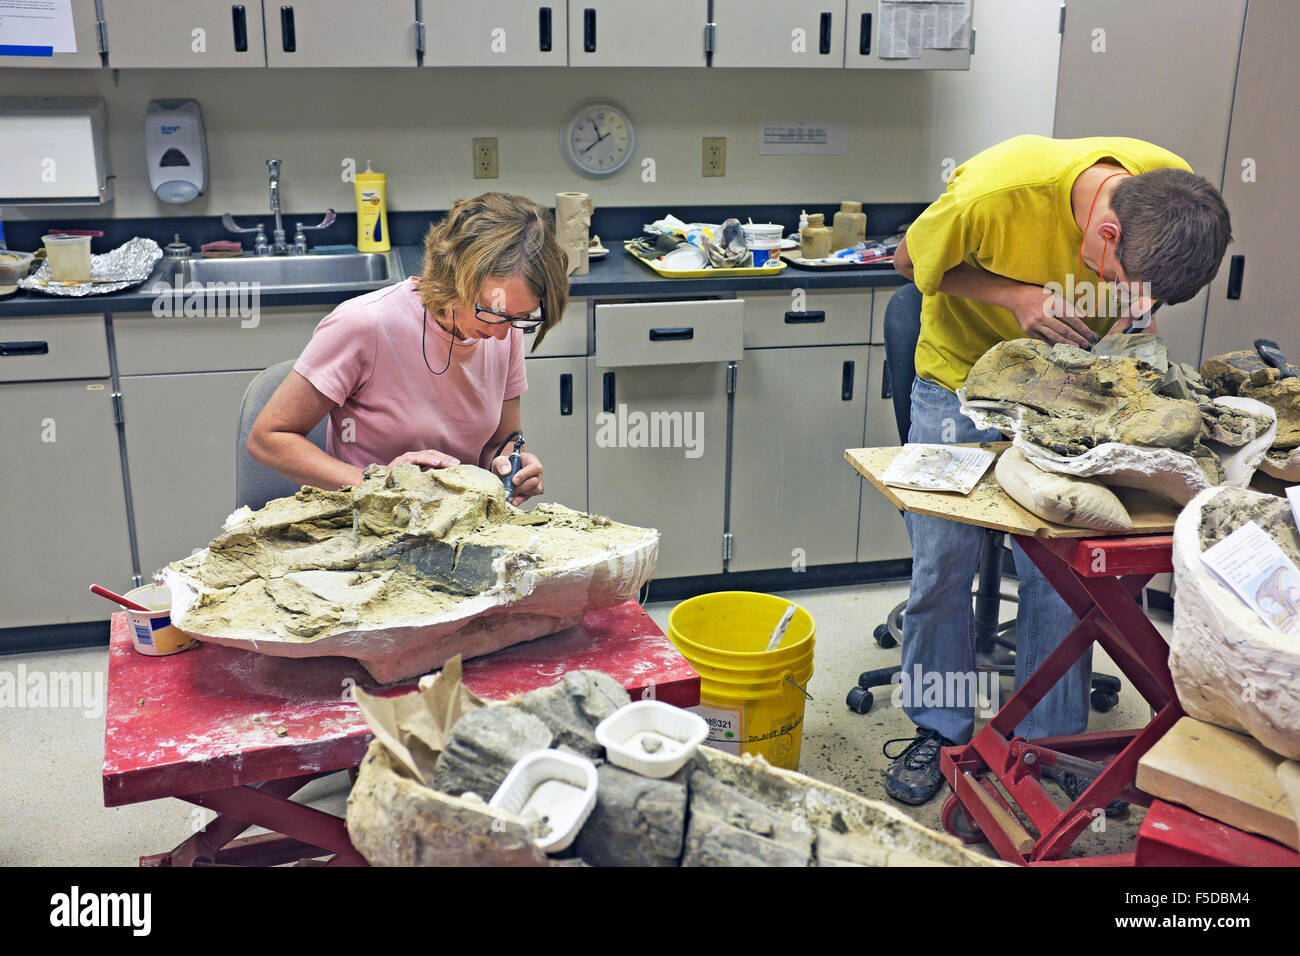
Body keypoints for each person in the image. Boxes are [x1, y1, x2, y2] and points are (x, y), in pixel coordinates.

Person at [884, 134, 1232, 808]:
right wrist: (1013, 296)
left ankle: (1049, 744)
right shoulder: (995, 192)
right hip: (961, 380)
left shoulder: (1175, 195)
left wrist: (1140, 321)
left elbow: (1145, 302)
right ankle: (940, 728)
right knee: (944, 562)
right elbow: (907, 262)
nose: (1112, 294)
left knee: (1061, 568)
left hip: (1073, 390)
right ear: (1108, 231)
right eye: (1115, 281)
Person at [248, 192, 569, 503]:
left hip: (458, 523)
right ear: (452, 277)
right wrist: (381, 485)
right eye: (491, 311)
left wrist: (508, 467)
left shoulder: (504, 326)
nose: (502, 335)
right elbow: (268, 438)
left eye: (522, 318)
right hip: (367, 522)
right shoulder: (364, 324)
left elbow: (500, 442)